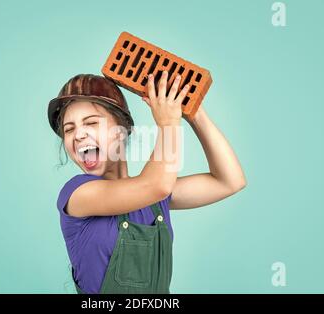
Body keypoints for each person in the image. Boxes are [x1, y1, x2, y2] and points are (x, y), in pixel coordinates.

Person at [47, 71, 246, 294]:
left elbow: (229, 180)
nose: (79, 135)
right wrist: (169, 122)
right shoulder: (77, 194)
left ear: (122, 131)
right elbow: (156, 185)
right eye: (69, 129)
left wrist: (194, 112)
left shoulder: (154, 199)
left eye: (91, 123)